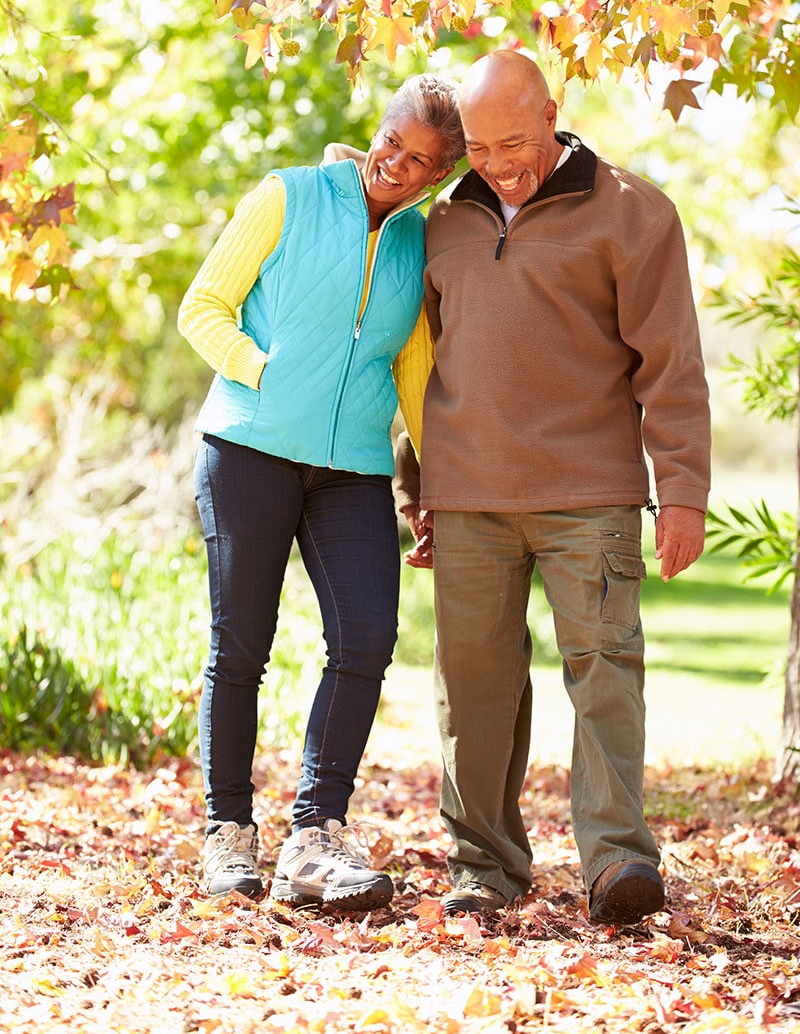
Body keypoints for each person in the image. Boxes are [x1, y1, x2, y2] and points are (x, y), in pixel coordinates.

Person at [394, 49, 710, 925]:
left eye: (514, 141)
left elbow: (672, 364)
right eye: (482, 148)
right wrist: (411, 491)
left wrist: (682, 489)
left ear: (552, 113)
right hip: (467, 496)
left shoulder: (634, 211)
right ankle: (484, 866)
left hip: (589, 492)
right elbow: (415, 367)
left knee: (605, 670)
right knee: (474, 683)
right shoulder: (440, 222)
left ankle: (616, 862)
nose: (500, 163)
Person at [178, 74, 464, 909]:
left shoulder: (417, 242)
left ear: (438, 175)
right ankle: (227, 831)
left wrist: (433, 484)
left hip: (352, 471)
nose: (395, 166)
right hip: (249, 448)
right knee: (241, 645)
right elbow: (205, 307)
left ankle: (315, 836)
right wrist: (265, 372)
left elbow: (414, 369)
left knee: (368, 635)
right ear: (375, 132)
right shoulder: (288, 196)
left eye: (418, 163)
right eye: (391, 144)